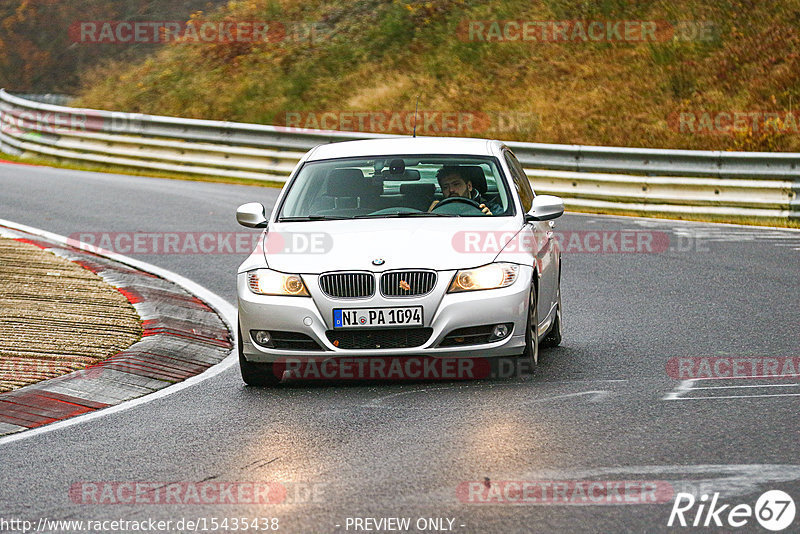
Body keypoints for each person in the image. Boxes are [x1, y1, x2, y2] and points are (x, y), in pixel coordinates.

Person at [428, 165, 499, 215]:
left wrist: (491, 219)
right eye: (445, 187)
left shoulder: (491, 208)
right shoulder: (436, 209)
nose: (451, 190)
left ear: (469, 186)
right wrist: (429, 215)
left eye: (456, 184)